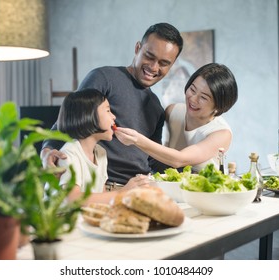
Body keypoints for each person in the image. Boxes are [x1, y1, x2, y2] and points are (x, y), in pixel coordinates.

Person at [41, 23, 183, 188]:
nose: (153, 67)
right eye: (149, 56)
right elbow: (71, 119)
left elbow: (153, 157)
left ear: (171, 65)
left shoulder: (156, 107)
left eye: (163, 63)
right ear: (137, 48)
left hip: (140, 186)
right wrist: (47, 151)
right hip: (105, 185)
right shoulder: (104, 78)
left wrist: (189, 171)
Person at [114, 63, 238, 172]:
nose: (193, 99)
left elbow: (179, 159)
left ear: (219, 105)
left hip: (205, 192)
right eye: (193, 90)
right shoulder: (173, 111)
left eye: (203, 97)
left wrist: (136, 140)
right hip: (173, 186)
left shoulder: (221, 134)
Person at [56, 88, 150, 204]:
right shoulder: (69, 153)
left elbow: (103, 197)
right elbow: (72, 198)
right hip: (60, 219)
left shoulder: (100, 152)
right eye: (108, 110)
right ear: (89, 115)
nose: (114, 117)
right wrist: (123, 192)